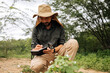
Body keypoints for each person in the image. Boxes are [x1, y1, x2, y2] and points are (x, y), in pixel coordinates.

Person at [30, 4, 79, 73]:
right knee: (36, 66)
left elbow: (62, 44)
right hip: (43, 55)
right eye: (42, 18)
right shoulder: (36, 28)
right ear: (39, 17)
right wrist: (36, 48)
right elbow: (33, 46)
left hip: (57, 53)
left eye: (46, 18)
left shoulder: (59, 27)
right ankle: (48, 71)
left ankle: (64, 68)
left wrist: (53, 50)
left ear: (52, 17)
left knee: (73, 42)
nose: (44, 21)